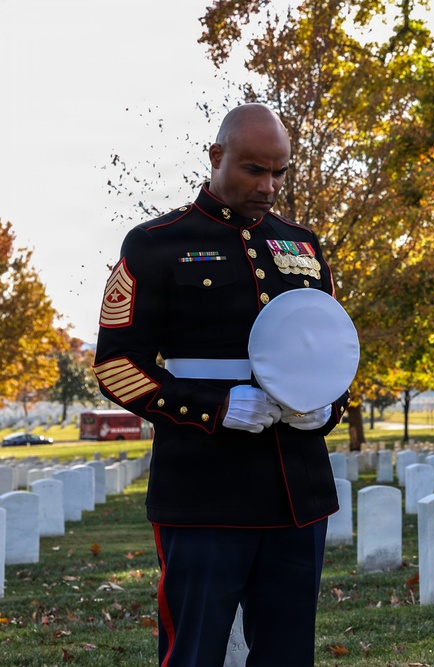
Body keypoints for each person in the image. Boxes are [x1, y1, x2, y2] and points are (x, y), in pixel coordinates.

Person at [93, 103, 347, 666]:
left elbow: (331, 351)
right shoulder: (155, 242)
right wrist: (215, 407)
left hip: (295, 491)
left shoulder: (303, 246)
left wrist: (325, 408)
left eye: (280, 172)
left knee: (287, 656)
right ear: (216, 156)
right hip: (203, 490)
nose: (270, 186)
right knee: (195, 652)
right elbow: (117, 366)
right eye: (255, 170)